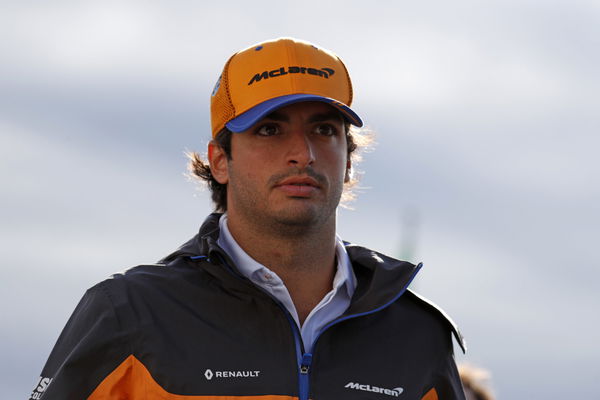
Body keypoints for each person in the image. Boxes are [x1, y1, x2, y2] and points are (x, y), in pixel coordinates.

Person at [30, 37, 466, 400]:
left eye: (324, 130)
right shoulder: (130, 311)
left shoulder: (417, 332)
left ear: (349, 161)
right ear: (220, 161)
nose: (304, 153)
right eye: (270, 130)